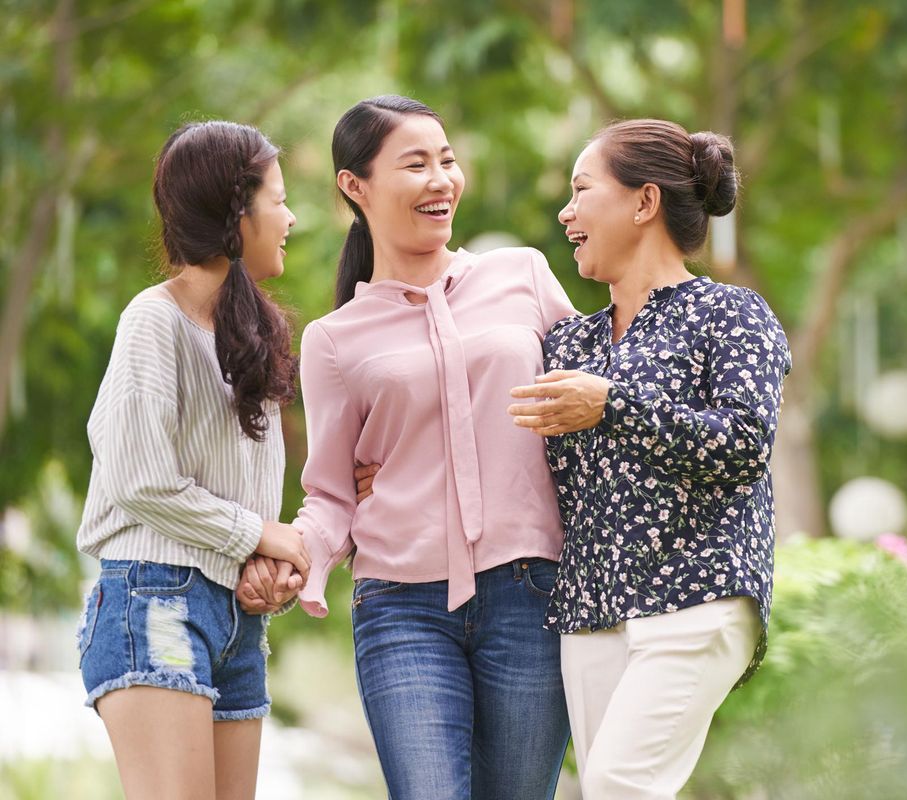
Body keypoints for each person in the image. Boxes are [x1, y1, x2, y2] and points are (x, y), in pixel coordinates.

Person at [237, 95, 575, 800]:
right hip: (401, 606)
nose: (441, 180)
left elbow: (593, 398)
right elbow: (331, 492)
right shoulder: (334, 340)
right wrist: (293, 557)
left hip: (530, 593)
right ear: (354, 187)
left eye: (447, 161)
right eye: (415, 164)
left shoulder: (524, 278)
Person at [506, 118, 792, 799]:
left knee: (619, 784)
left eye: (581, 190)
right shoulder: (568, 344)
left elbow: (743, 444)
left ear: (643, 202)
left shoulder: (731, 315)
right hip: (591, 612)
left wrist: (615, 406)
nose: (565, 212)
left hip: (699, 595)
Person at [75, 120, 311, 800]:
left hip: (236, 622)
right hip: (156, 608)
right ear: (236, 211)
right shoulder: (155, 320)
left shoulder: (252, 333)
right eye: (277, 199)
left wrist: (263, 568)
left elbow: (247, 502)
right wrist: (260, 536)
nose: (290, 217)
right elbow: (139, 479)